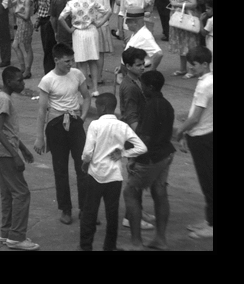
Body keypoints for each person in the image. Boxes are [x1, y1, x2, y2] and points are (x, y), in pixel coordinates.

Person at [80, 92, 146, 251]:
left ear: (102, 107)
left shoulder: (95, 125)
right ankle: (110, 246)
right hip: (114, 177)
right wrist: (123, 153)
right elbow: (141, 147)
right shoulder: (123, 126)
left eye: (97, 106)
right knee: (112, 212)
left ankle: (85, 246)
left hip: (95, 174)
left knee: (89, 212)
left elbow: (88, 152)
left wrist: (85, 163)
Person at [34, 43, 89, 225]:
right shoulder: (47, 80)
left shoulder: (77, 74)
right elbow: (42, 110)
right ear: (56, 60)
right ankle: (65, 208)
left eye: (72, 60)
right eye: (66, 61)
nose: (70, 64)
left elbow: (87, 97)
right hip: (56, 125)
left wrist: (82, 117)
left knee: (83, 166)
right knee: (60, 169)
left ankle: (85, 207)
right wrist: (40, 137)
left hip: (74, 122)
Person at [122, 70, 175, 251]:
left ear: (150, 87)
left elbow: (145, 137)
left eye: (143, 85)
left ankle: (136, 243)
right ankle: (160, 239)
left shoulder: (152, 106)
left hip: (151, 157)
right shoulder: (167, 104)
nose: (141, 88)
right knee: (159, 192)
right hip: (166, 154)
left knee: (130, 192)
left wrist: (132, 157)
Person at [0, 67, 40, 250]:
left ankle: (6, 233)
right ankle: (17, 236)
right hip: (5, 151)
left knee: (8, 193)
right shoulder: (4, 99)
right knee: (21, 192)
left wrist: (24, 149)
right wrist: (15, 155)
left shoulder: (2, 96)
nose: (23, 83)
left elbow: (7, 131)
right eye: (19, 81)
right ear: (9, 82)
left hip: (1, 149)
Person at [172, 46, 212, 240]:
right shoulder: (208, 81)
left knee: (208, 181)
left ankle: (212, 224)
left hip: (202, 136)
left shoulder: (205, 85)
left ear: (205, 64)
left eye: (194, 64)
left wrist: (180, 131)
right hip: (205, 134)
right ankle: (209, 219)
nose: (191, 68)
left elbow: (195, 117)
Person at [61, 0, 101, 94]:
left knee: (82, 62)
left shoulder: (71, 3)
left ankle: (85, 89)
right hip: (92, 31)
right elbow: (107, 11)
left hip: (79, 33)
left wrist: (69, 29)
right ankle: (95, 89)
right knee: (93, 61)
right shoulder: (92, 1)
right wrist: (98, 23)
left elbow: (61, 18)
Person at [167, 0, 200, 77]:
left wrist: (177, 4)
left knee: (189, 45)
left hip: (186, 18)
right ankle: (182, 68)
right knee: (182, 44)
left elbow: (193, 3)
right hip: (178, 18)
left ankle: (192, 70)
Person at [10, 0, 36, 80]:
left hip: (25, 24)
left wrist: (17, 14)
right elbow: (9, 6)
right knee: (18, 46)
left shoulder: (27, 0)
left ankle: (26, 69)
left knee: (25, 46)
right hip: (20, 24)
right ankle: (24, 68)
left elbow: (26, 16)